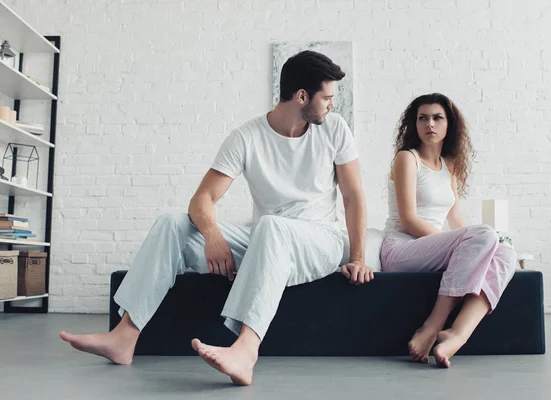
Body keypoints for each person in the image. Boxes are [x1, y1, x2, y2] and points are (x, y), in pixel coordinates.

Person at [60, 50, 374, 385]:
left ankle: (245, 351)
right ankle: (124, 336)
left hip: (320, 238)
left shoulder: (335, 129)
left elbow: (353, 198)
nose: (332, 105)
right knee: (173, 223)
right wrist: (212, 235)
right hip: (269, 239)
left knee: (270, 227)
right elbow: (202, 199)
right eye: (326, 98)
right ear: (301, 97)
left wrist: (357, 257)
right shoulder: (247, 137)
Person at [380, 93, 517, 368]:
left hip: (433, 248)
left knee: (505, 253)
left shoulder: (449, 166)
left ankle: (459, 333)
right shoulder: (407, 158)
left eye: (437, 118)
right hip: (402, 249)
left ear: (448, 125)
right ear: (414, 124)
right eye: (423, 118)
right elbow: (408, 220)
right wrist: (465, 243)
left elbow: (454, 218)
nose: (429, 124)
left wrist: (480, 248)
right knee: (485, 235)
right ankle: (432, 326)